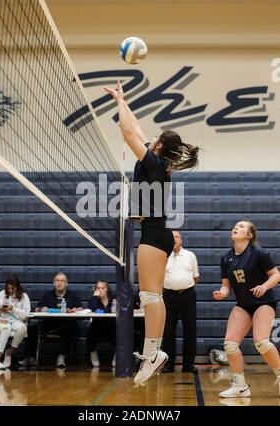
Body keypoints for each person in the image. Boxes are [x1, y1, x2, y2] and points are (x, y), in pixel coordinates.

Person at [104, 81, 199, 385]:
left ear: (159, 146)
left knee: (149, 295)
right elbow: (138, 131)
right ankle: (153, 353)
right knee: (152, 295)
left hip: (154, 233)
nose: (151, 137)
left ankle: (153, 353)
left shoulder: (155, 163)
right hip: (159, 232)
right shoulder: (159, 161)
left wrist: (119, 107)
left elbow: (128, 133)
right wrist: (123, 100)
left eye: (155, 138)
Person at [214, 220, 280, 398]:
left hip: (263, 302)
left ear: (249, 235)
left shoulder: (259, 253)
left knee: (261, 342)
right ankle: (240, 386)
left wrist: (265, 286)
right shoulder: (226, 258)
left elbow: (276, 275)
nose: (236, 227)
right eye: (235, 225)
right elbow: (226, 286)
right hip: (243, 304)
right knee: (230, 344)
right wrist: (222, 293)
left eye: (242, 226)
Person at [19, 272, 82, 368]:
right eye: (57, 280)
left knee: (76, 329)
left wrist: (75, 310)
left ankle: (62, 356)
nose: (59, 283)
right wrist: (41, 309)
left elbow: (81, 309)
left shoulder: (72, 295)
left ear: (66, 283)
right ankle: (31, 357)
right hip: (49, 324)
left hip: (66, 325)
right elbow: (36, 309)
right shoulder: (47, 295)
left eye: (62, 281)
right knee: (31, 328)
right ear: (53, 283)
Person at [162, 230, 199, 373]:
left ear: (181, 240)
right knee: (168, 332)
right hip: (169, 296)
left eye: (176, 237)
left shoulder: (190, 256)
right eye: (171, 237)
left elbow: (196, 277)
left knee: (190, 331)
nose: (174, 239)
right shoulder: (163, 256)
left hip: (187, 296)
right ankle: (169, 364)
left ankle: (188, 365)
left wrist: (183, 286)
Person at [0, 275, 30, 369]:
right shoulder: (2, 294)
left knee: (23, 328)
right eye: (8, 288)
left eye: (13, 288)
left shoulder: (24, 296)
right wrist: (0, 309)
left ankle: (9, 353)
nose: (10, 290)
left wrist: (14, 309)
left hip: (16, 321)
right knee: (6, 328)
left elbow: (26, 316)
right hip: (2, 319)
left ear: (17, 287)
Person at [87, 279, 116, 367]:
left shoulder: (114, 299)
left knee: (117, 330)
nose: (100, 290)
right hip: (98, 325)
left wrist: (103, 311)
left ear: (107, 289)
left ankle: (118, 354)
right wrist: (95, 297)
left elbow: (114, 310)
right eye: (98, 288)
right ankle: (93, 352)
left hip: (111, 325)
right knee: (92, 330)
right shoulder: (93, 299)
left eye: (103, 288)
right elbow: (93, 309)